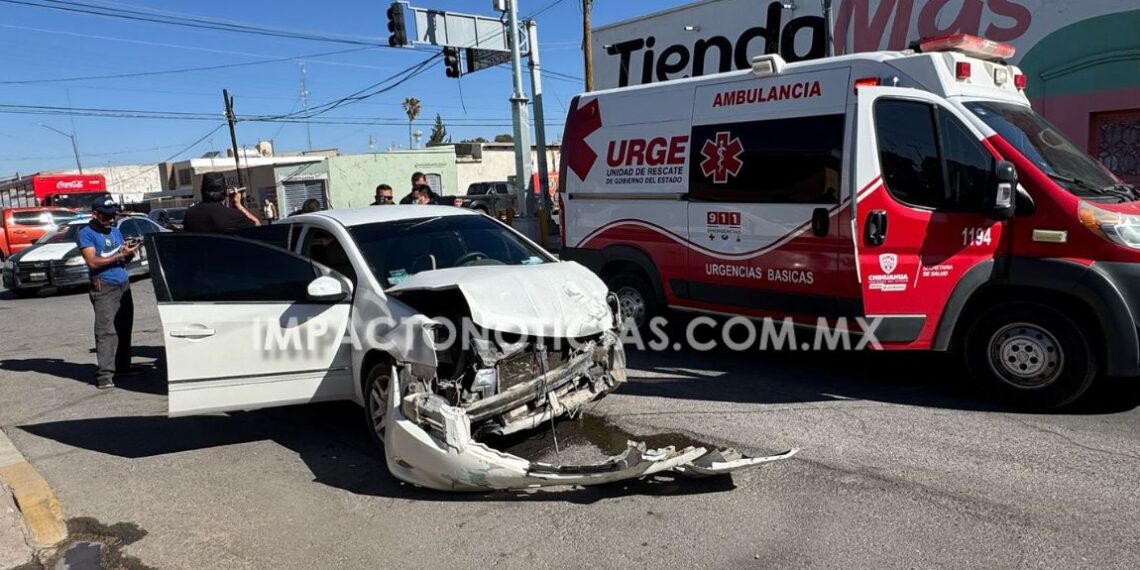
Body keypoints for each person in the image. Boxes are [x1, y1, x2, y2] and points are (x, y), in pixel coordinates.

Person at [77, 196, 139, 389]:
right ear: (95, 214)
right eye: (106, 216)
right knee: (106, 331)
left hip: (123, 283)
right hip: (104, 286)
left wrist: (128, 253)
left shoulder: (115, 231)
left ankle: (123, 366)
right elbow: (93, 261)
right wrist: (120, 254)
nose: (111, 219)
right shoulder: (85, 233)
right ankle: (104, 374)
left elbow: (121, 256)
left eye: (113, 215)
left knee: (124, 327)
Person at [182, 172, 261, 234]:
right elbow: (258, 225)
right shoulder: (233, 216)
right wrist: (238, 205)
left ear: (202, 190)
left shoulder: (190, 215)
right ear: (226, 191)